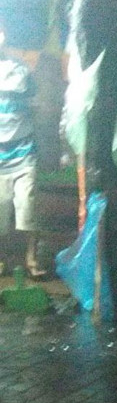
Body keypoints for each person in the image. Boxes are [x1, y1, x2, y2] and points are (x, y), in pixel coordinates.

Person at [0, 21, 43, 277]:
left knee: (27, 208)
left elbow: (34, 105)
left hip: (23, 152)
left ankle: (31, 260)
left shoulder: (19, 70)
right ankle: (3, 260)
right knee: (1, 211)